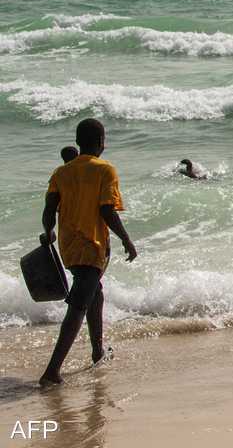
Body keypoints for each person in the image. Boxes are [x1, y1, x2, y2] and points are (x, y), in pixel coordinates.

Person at [38, 119, 137, 386]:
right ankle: (51, 372)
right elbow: (107, 210)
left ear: (80, 142)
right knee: (78, 305)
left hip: (69, 248)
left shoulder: (61, 172)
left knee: (95, 294)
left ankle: (97, 352)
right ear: (101, 142)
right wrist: (127, 240)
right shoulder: (105, 170)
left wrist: (48, 232)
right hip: (92, 246)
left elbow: (48, 211)